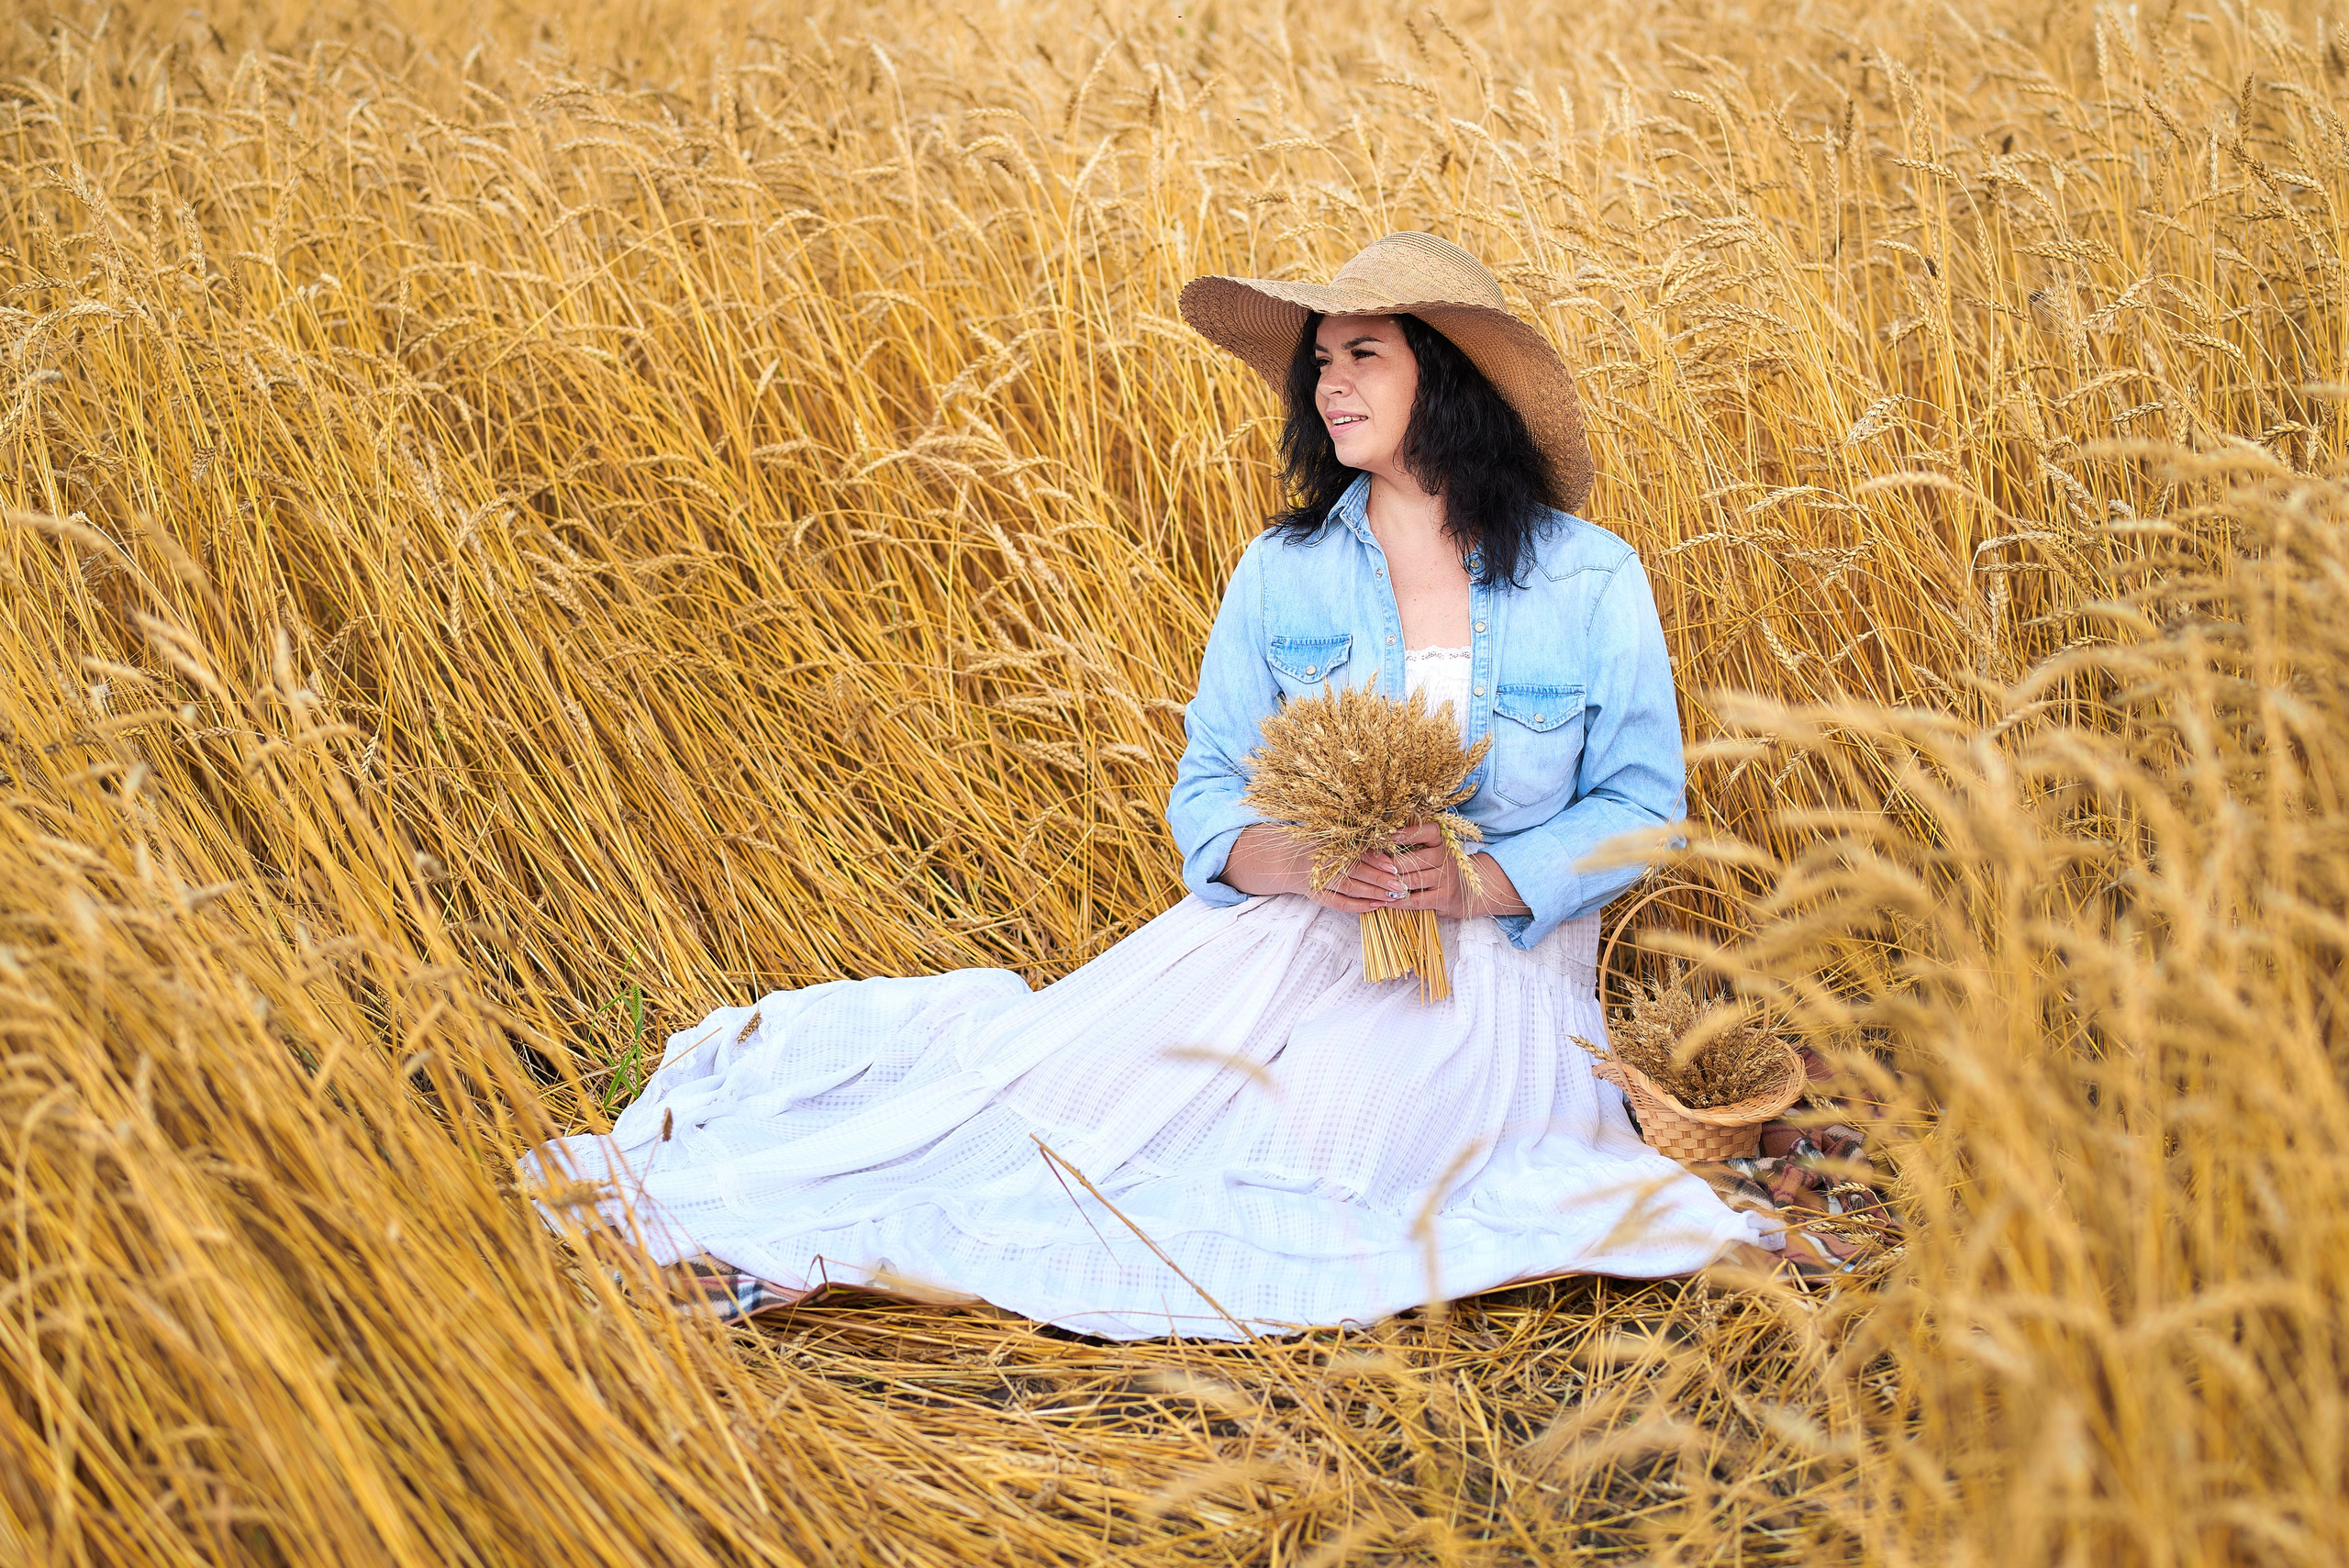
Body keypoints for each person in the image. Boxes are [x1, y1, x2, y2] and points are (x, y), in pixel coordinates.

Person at [521, 232, 1778, 1340]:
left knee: (1325, 1160)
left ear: (1443, 378)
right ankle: (802, 1237)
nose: (1328, 385)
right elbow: (1209, 786)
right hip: (1290, 932)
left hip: (1493, 962)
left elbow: (1640, 809)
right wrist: (1296, 861)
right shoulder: (1283, 572)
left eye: (1364, 358)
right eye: (1321, 362)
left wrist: (1475, 877)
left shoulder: (1589, 577)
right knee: (1057, 1111)